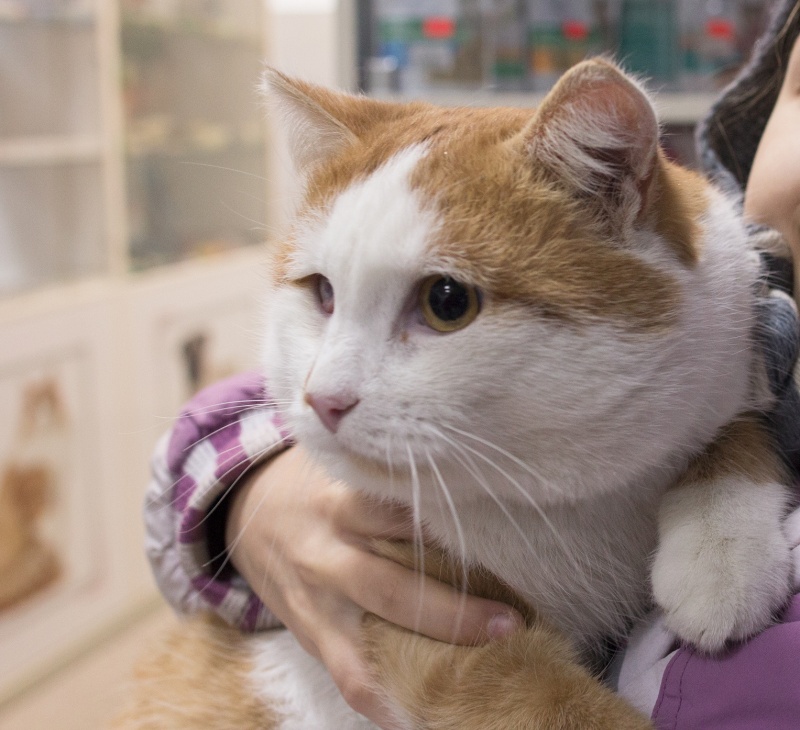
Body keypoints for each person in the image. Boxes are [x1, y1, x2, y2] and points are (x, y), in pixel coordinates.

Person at [144, 1, 800, 727]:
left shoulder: (717, 311)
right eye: (322, 292)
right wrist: (244, 483)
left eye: (446, 301)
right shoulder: (771, 308)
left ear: (609, 183)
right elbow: (209, 443)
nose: (324, 389)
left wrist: (733, 461)